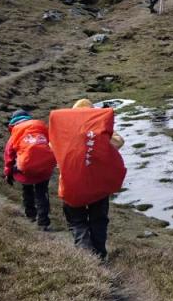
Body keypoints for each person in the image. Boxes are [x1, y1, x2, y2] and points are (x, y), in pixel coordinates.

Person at [49, 99, 126, 261]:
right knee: (98, 220)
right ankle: (99, 255)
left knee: (77, 221)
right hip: (98, 184)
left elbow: (52, 148)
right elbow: (118, 142)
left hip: (71, 183)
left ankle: (86, 255)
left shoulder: (64, 131)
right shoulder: (99, 130)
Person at [3, 109, 56, 230]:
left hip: (25, 168)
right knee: (42, 193)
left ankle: (31, 214)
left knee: (27, 191)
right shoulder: (41, 127)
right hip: (44, 167)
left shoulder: (15, 132)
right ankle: (43, 221)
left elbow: (9, 155)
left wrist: (8, 172)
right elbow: (52, 143)